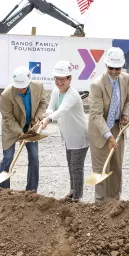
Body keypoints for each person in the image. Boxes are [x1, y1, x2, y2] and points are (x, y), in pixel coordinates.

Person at [87, 47, 129, 201]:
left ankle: (115, 202)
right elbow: (96, 115)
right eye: (111, 68)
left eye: (117, 68)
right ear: (106, 65)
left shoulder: (126, 79)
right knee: (101, 169)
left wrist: (125, 114)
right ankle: (100, 204)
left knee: (116, 167)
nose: (114, 71)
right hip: (101, 131)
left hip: (117, 128)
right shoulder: (97, 85)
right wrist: (108, 136)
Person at [42, 61, 90, 201]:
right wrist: (47, 114)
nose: (59, 82)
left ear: (70, 79)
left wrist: (49, 119)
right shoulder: (56, 91)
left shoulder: (72, 94)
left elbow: (62, 109)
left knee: (76, 167)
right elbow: (51, 107)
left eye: (62, 79)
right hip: (68, 136)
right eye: (57, 78)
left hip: (79, 136)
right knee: (71, 165)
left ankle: (77, 198)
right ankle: (72, 191)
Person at [0, 66, 48, 191]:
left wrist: (37, 118)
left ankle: (31, 191)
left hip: (31, 127)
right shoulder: (6, 95)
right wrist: (19, 133)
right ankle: (2, 190)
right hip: (11, 129)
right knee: (8, 157)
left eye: (23, 87)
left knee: (34, 157)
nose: (20, 89)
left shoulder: (38, 86)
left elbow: (43, 103)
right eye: (17, 87)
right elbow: (8, 118)